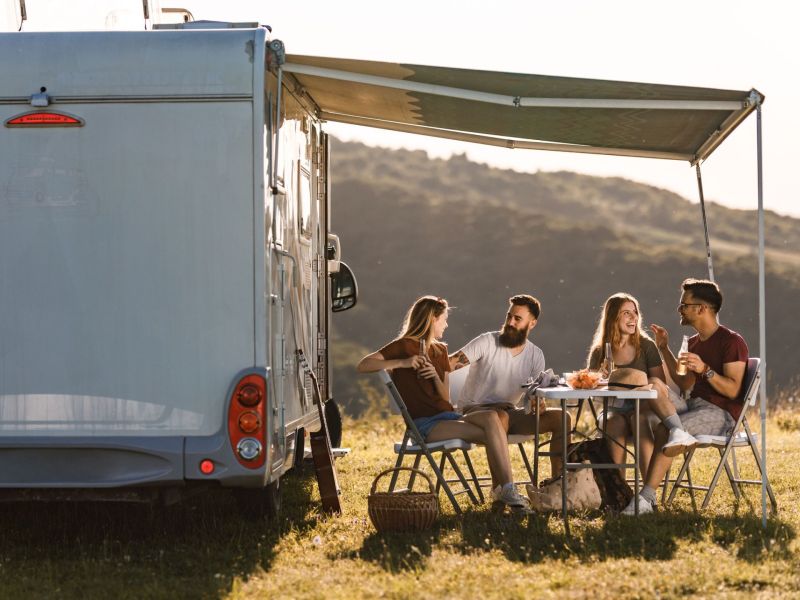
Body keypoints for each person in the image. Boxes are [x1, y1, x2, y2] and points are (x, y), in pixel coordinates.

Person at [356, 295, 531, 513]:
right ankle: (506, 490)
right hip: (425, 424)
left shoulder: (440, 351)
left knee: (491, 417)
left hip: (449, 416)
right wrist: (403, 362)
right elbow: (364, 365)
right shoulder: (404, 346)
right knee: (494, 429)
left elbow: (445, 397)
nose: (446, 324)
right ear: (432, 320)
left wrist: (435, 376)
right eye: (444, 319)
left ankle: (504, 489)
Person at [622, 278, 749, 515]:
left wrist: (705, 370)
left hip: (720, 413)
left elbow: (732, 391)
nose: (679, 309)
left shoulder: (732, 341)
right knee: (651, 390)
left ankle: (646, 498)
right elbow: (684, 382)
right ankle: (647, 489)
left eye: (684, 305)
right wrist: (663, 348)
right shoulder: (691, 342)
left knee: (663, 429)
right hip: (692, 404)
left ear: (702, 308)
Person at [449, 294, 569, 486]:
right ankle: (501, 490)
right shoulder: (487, 342)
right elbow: (450, 363)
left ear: (532, 323)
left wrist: (538, 404)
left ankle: (558, 484)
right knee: (500, 416)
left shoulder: (535, 355)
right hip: (473, 413)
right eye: (509, 316)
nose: (510, 322)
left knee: (562, 418)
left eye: (518, 318)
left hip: (508, 413)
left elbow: (533, 395)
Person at [587, 293, 696, 477]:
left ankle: (647, 493)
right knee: (613, 422)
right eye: (626, 313)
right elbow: (592, 388)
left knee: (639, 418)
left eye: (635, 312)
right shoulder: (600, 351)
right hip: (615, 408)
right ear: (613, 317)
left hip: (646, 408)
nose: (634, 317)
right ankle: (619, 490)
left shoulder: (646, 346)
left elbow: (658, 386)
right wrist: (601, 379)